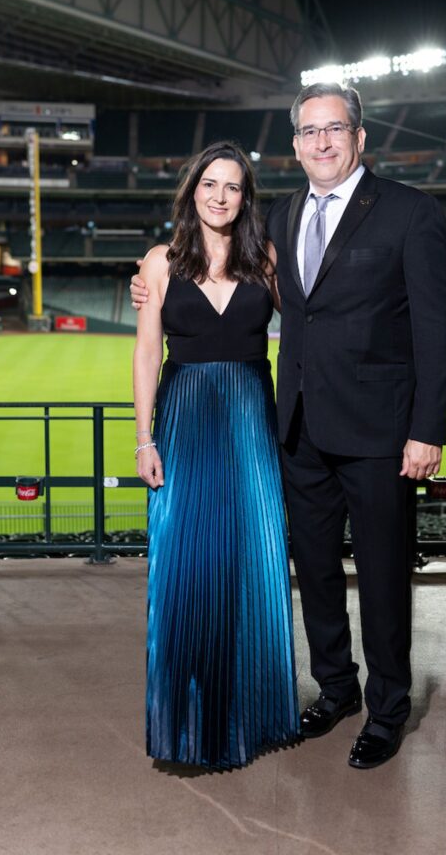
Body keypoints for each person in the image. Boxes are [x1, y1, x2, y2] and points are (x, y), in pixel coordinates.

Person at [132, 83, 446, 770]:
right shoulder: (277, 221)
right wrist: (143, 284)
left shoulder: (409, 212)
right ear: (295, 145)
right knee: (312, 572)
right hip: (297, 431)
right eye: (309, 132)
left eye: (334, 129)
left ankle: (387, 707)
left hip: (378, 432)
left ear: (359, 137)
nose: (322, 142)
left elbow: (437, 332)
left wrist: (426, 430)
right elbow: (218, 289)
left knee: (380, 576)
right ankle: (335, 689)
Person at [133, 140, 299, 770]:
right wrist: (144, 437)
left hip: (252, 418)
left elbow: (311, 324)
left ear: (244, 196)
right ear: (192, 190)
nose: (220, 196)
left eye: (232, 186)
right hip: (184, 416)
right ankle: (186, 719)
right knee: (185, 558)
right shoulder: (160, 262)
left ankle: (252, 715)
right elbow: (148, 354)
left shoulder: (267, 260)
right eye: (210, 184)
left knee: (253, 555)